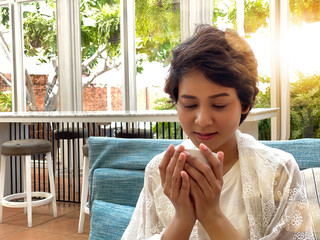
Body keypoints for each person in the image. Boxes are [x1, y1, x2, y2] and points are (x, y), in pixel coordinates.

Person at [122, 24, 315, 239]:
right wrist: (182, 219)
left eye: (219, 105)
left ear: (245, 104)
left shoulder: (278, 171)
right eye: (189, 104)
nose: (202, 121)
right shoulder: (160, 171)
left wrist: (212, 216)